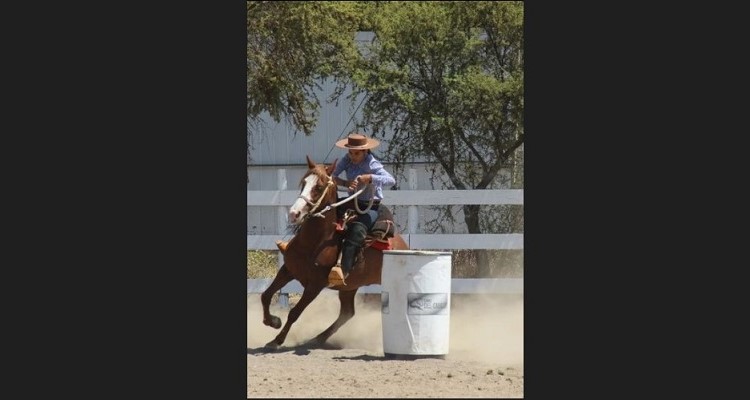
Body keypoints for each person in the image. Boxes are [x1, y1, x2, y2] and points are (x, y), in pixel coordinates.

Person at [276, 133, 395, 284]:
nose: (352, 156)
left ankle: (342, 271)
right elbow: (331, 177)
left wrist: (370, 178)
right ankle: (295, 246)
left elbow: (391, 180)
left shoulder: (372, 164)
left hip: (369, 206)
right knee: (320, 215)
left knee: (357, 231)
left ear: (365, 151)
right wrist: (346, 183)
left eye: (356, 153)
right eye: (350, 152)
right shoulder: (347, 160)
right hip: (352, 202)